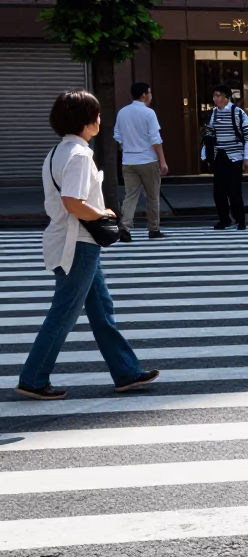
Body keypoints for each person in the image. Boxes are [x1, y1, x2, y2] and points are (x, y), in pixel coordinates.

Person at [16, 90, 158, 401]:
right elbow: (72, 202)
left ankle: (126, 372)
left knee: (100, 308)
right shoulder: (79, 155)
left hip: (72, 241)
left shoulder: (58, 151)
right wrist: (103, 213)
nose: (99, 119)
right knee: (65, 312)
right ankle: (33, 378)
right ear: (85, 120)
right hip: (77, 243)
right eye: (95, 113)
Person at [114, 81, 167, 239]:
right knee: (152, 195)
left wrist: (127, 146)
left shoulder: (122, 112)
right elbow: (155, 139)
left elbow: (117, 136)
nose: (150, 96)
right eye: (149, 93)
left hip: (128, 160)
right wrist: (162, 161)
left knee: (130, 196)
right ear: (144, 95)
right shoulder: (149, 113)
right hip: (147, 159)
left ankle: (125, 227)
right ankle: (153, 228)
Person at [203, 84, 248, 230]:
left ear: (226, 97)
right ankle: (224, 219)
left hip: (235, 156)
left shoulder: (238, 113)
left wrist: (247, 158)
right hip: (219, 156)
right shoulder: (214, 113)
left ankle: (240, 220)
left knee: (234, 191)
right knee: (218, 191)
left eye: (218, 95)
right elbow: (211, 134)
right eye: (214, 96)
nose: (215, 99)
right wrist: (206, 153)